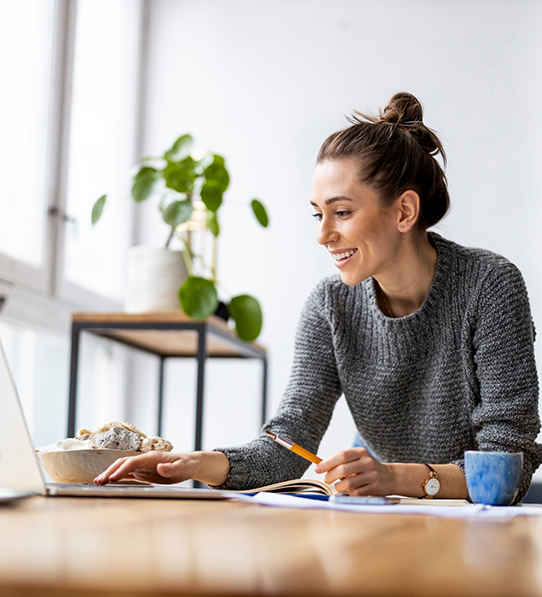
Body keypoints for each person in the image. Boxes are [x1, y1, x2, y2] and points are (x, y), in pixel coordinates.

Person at [95, 92, 542, 502]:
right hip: (385, 517)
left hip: (477, 530)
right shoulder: (330, 305)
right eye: (318, 215)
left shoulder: (489, 285)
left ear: (404, 211)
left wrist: (392, 477)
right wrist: (197, 464)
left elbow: (507, 469)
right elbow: (289, 444)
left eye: (342, 212)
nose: (324, 235)